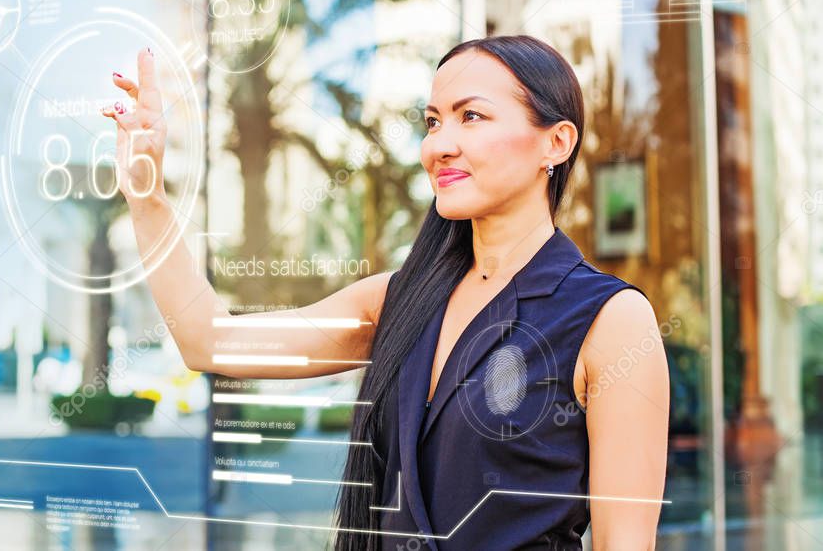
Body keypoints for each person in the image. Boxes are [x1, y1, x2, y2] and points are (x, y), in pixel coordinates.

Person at [102, 36, 669, 550]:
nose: (439, 145)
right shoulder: (398, 300)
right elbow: (212, 343)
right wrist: (149, 197)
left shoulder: (609, 320)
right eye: (431, 122)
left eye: (471, 116)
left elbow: (624, 544)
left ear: (557, 142)